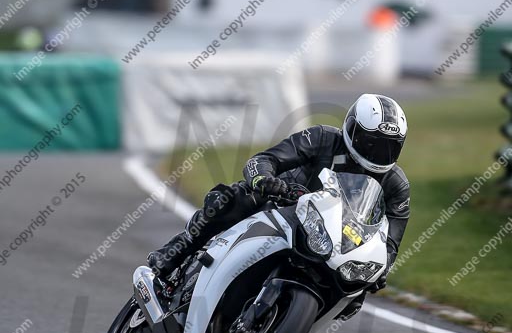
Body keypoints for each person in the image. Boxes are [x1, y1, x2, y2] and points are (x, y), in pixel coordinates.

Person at [148, 94, 410, 312]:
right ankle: (175, 252)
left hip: (331, 241)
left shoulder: (396, 184)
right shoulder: (322, 138)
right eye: (372, 143)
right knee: (231, 199)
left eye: (390, 147)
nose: (379, 154)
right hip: (281, 208)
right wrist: (265, 179)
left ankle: (292, 328)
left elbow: (390, 243)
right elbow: (264, 160)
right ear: (352, 130)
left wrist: (382, 268)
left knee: (357, 293)